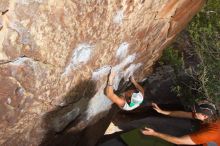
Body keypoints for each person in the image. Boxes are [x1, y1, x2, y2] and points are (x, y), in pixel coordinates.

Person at [141, 100, 220, 145]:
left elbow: (178, 141)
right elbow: (185, 114)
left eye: (196, 112)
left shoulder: (211, 133)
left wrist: (154, 133)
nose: (193, 112)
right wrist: (162, 112)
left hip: (209, 140)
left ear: (205, 116)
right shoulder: (210, 116)